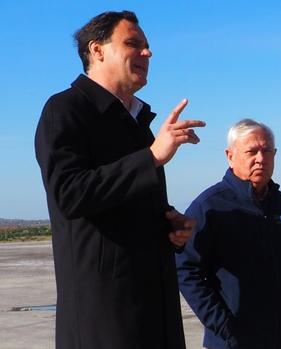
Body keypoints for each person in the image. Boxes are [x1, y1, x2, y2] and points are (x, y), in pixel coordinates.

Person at [35, 11, 205, 349]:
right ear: (97, 50)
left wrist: (172, 228)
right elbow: (69, 194)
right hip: (106, 322)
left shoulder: (136, 122)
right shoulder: (65, 110)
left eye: (147, 47)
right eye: (133, 44)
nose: (147, 53)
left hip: (157, 315)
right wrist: (152, 156)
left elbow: (124, 205)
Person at [176, 119, 281, 349]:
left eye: (267, 151)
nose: (260, 159)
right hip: (234, 342)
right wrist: (224, 326)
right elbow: (186, 270)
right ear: (230, 155)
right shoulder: (210, 207)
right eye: (252, 151)